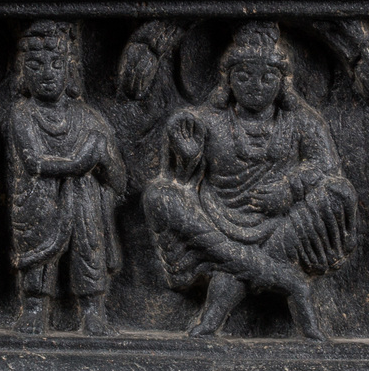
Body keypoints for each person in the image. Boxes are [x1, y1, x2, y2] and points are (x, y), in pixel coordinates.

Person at [142, 22, 357, 340]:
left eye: (267, 78)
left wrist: (289, 188)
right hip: (218, 219)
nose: (255, 86)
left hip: (282, 226)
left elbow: (325, 166)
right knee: (159, 195)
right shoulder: (207, 121)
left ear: (283, 82)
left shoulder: (301, 121)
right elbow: (182, 184)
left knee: (338, 192)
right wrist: (187, 159)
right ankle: (288, 282)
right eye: (243, 77)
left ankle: (225, 293)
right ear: (227, 80)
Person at [5, 21, 127, 335]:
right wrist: (80, 162)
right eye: (36, 65)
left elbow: (118, 180)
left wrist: (105, 161)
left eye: (56, 65)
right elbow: (33, 162)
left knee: (88, 244)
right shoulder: (23, 113)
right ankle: (34, 307)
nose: (47, 73)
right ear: (23, 72)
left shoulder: (87, 116)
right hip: (39, 199)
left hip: (84, 200)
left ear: (69, 71)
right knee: (39, 251)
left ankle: (92, 310)